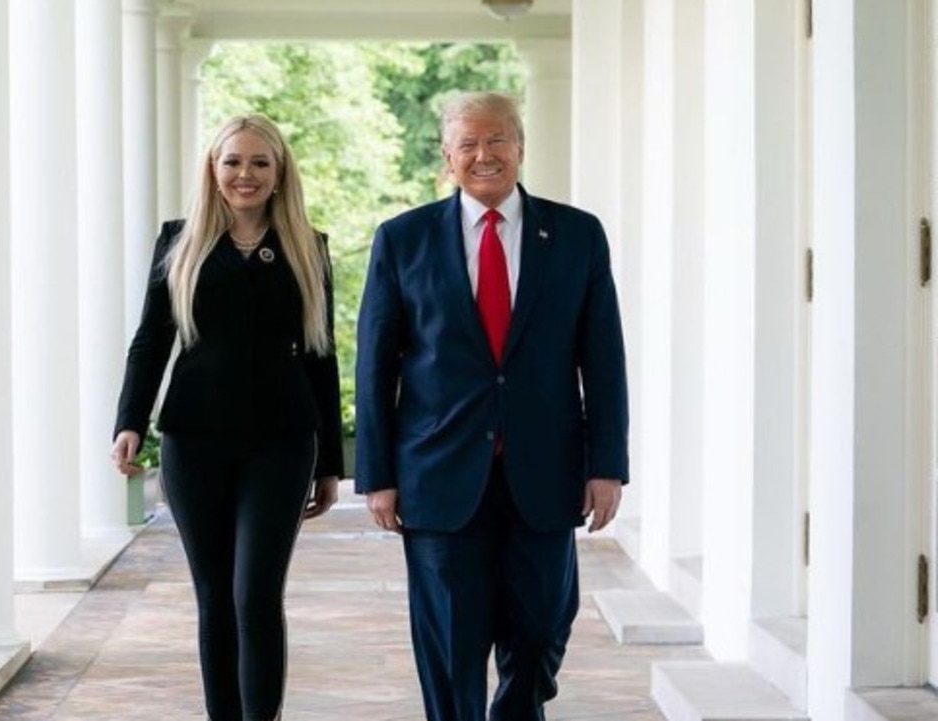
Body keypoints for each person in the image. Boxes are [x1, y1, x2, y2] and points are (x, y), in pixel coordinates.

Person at [354, 91, 629, 721]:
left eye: (497, 139)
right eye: (469, 144)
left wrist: (606, 464)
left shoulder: (577, 235)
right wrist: (378, 476)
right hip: (437, 477)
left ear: (520, 147)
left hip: (545, 473)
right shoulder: (402, 240)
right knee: (450, 650)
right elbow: (375, 367)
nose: (485, 155)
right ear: (448, 157)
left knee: (539, 637)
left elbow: (604, 360)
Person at [110, 113, 344, 721]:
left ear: (279, 172)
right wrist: (129, 420)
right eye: (233, 161)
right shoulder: (179, 242)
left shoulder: (307, 247)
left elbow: (321, 354)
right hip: (195, 440)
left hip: (282, 444)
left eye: (259, 162)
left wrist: (332, 466)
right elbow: (150, 340)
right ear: (214, 172)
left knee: (256, 596)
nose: (245, 174)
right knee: (215, 598)